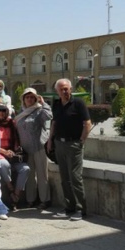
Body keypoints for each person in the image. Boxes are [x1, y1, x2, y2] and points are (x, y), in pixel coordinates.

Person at [48, 79, 92, 221]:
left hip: (74, 144)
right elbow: (54, 123)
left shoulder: (78, 103)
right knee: (64, 177)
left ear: (71, 89)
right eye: (61, 89)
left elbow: (87, 123)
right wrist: (50, 140)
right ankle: (69, 207)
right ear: (57, 91)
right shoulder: (56, 104)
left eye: (66, 88)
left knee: (75, 177)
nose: (64, 91)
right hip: (59, 144)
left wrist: (81, 141)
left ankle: (81, 209)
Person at [15, 87, 52, 210]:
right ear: (23, 99)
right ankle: (31, 199)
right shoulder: (20, 112)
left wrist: (43, 103)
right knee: (30, 177)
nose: (30, 99)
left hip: (39, 147)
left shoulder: (39, 110)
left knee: (42, 175)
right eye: (27, 97)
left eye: (32, 97)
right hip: (26, 149)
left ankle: (44, 200)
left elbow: (49, 116)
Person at [0, 102, 30, 209]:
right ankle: (11, 189)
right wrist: (4, 151)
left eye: (3, 110)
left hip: (12, 154)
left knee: (25, 169)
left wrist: (15, 151)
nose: (1, 112)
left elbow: (17, 141)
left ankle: (15, 196)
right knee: (4, 165)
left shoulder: (11, 123)